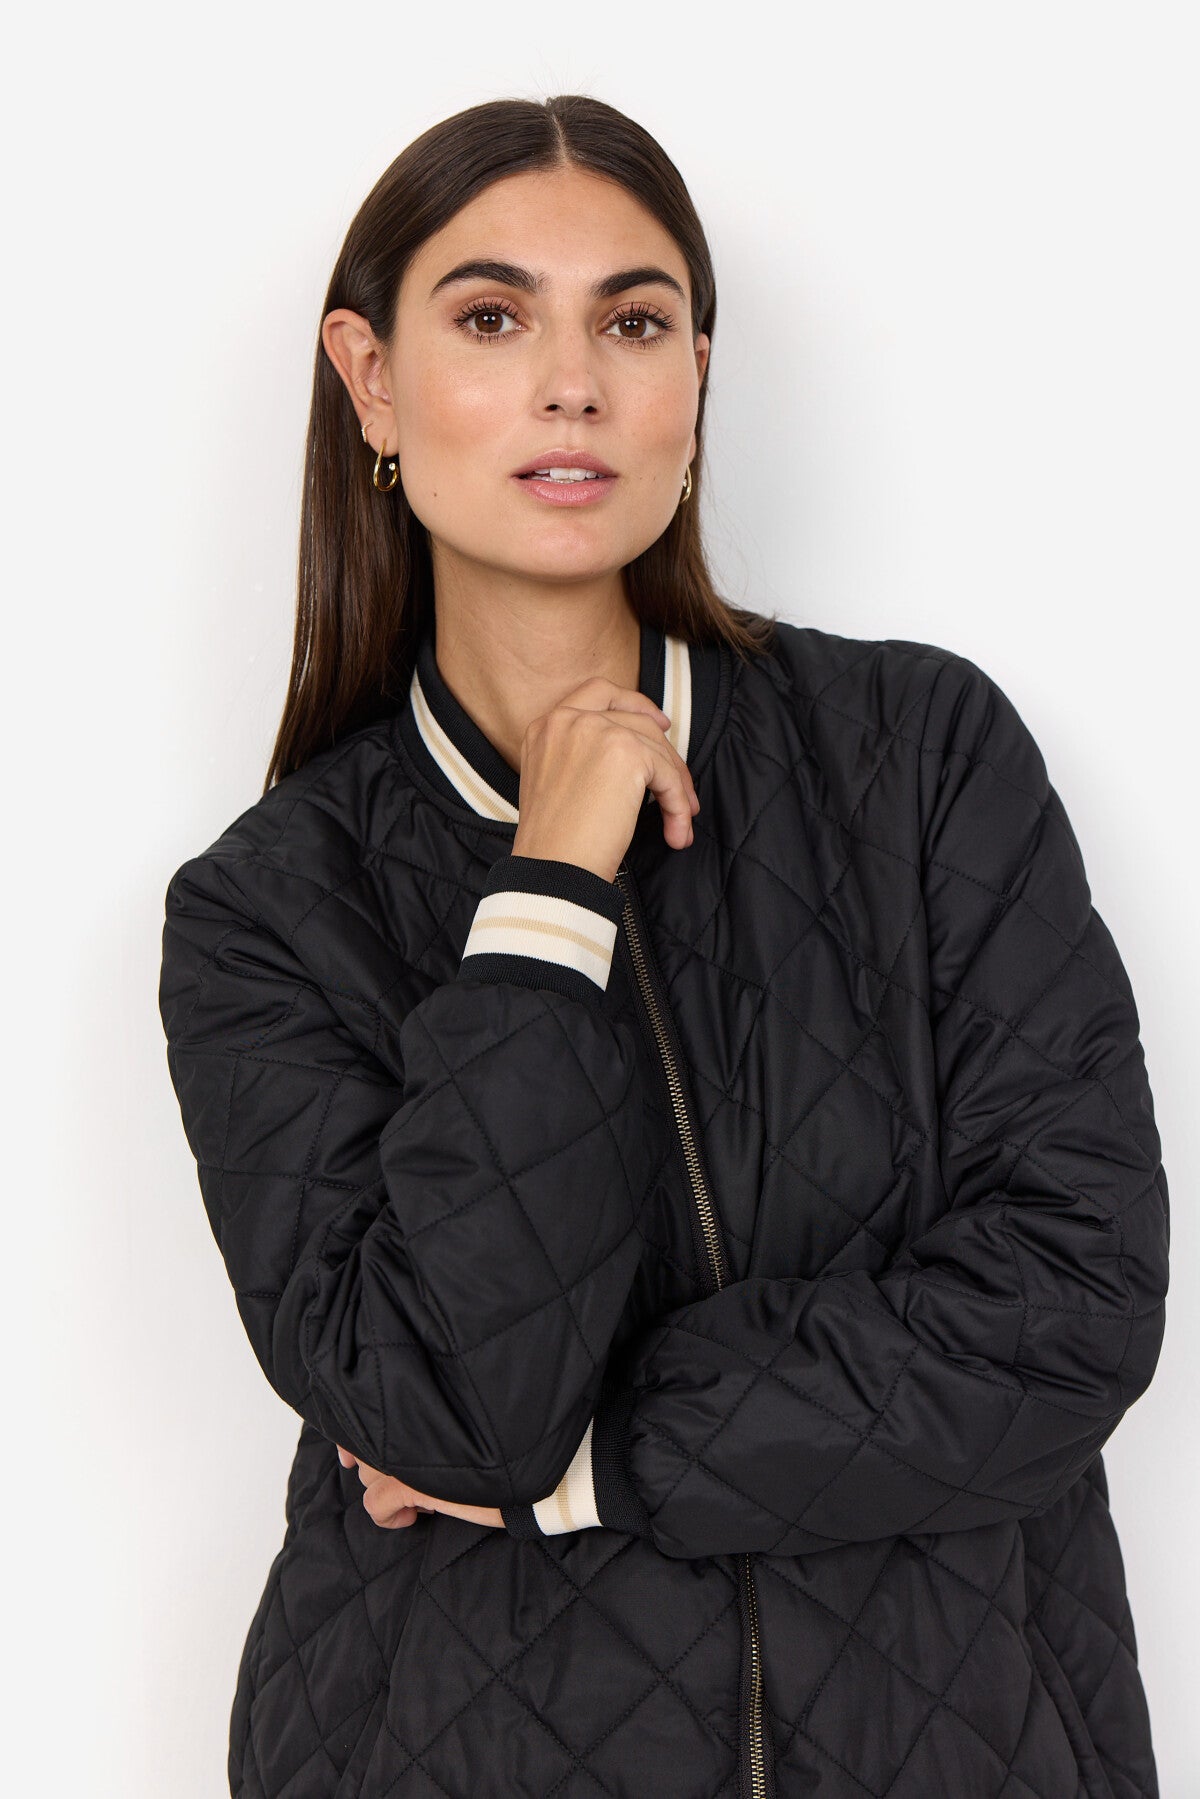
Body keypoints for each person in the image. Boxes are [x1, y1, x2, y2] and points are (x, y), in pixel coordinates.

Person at [158, 93, 1169, 1799]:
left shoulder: (919, 757)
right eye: (494, 319)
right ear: (371, 379)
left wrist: (591, 1466)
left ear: (696, 374)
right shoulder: (266, 911)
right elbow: (445, 1409)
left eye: (633, 323)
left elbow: (1072, 1307)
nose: (575, 383)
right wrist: (548, 890)